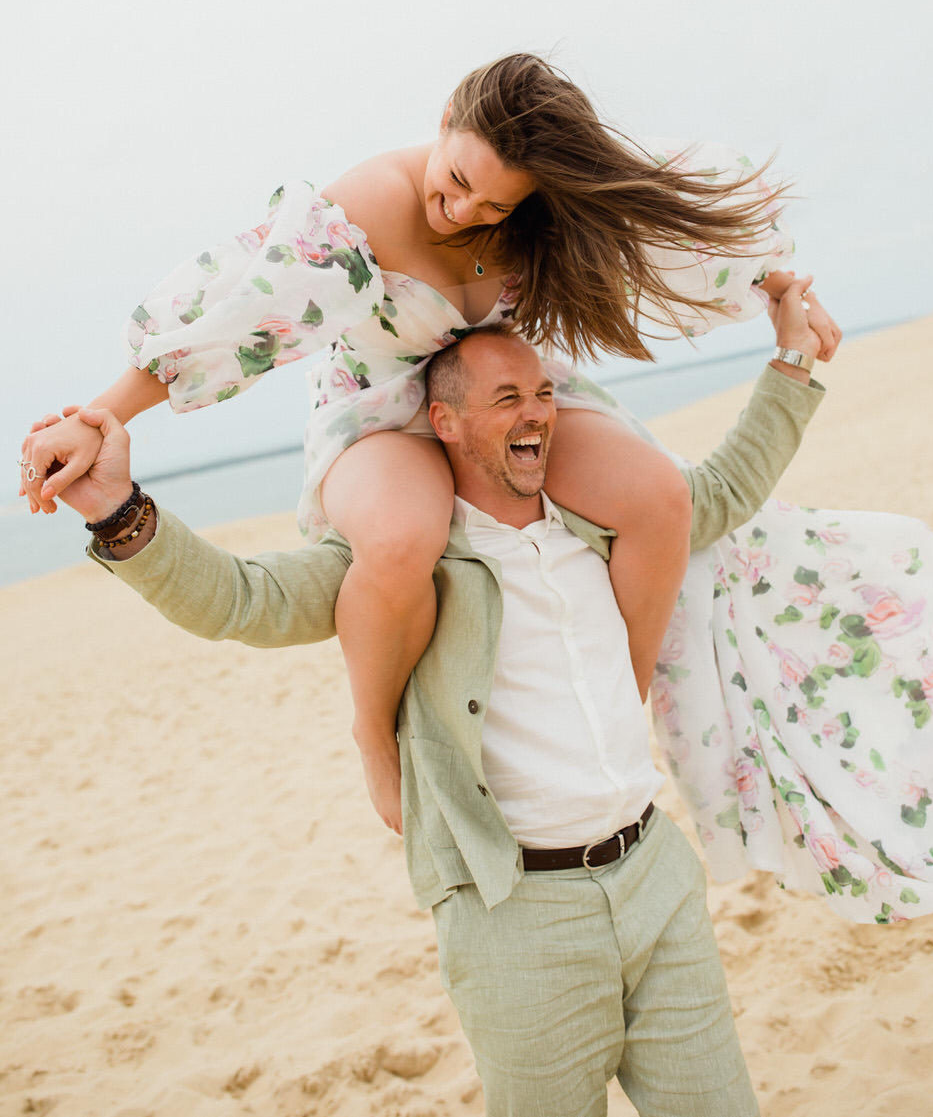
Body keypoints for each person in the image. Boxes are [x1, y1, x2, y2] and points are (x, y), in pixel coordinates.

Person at [54, 282, 830, 1117]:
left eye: (544, 393)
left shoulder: (601, 527)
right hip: (519, 916)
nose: (537, 413)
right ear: (445, 422)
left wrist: (795, 356)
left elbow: (724, 487)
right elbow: (246, 600)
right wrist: (118, 512)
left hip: (656, 876)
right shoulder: (406, 568)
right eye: (508, 397)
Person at [18, 53, 840, 835]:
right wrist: (98, 417)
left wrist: (782, 294)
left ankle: (622, 700)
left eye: (494, 207)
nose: (464, 212)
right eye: (457, 183)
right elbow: (246, 314)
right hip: (384, 406)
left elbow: (669, 230)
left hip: (506, 391)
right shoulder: (368, 204)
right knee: (401, 541)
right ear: (446, 118)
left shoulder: (541, 197)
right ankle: (375, 737)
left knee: (659, 497)